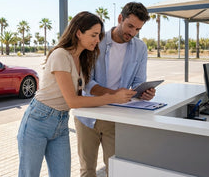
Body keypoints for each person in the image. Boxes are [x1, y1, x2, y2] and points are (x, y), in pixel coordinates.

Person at [17, 11, 136, 177]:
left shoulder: (83, 59)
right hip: (38, 121)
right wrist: (113, 98)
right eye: (94, 35)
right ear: (79, 32)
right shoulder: (60, 55)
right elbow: (73, 101)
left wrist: (115, 94)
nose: (98, 40)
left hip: (61, 123)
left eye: (99, 35)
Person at [74, 2, 155, 177]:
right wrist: (114, 95)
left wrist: (144, 93)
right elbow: (86, 82)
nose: (132, 33)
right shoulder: (96, 41)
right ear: (120, 19)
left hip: (116, 117)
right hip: (87, 116)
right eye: (130, 26)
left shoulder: (140, 48)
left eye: (137, 29)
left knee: (116, 170)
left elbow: (139, 81)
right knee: (87, 170)